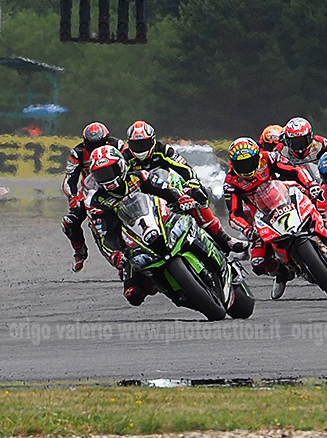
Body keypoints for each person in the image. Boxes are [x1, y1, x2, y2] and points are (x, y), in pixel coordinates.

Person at [84, 144, 202, 306]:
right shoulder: (98, 201)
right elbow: (104, 234)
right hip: (132, 242)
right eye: (101, 174)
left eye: (110, 171)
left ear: (121, 166)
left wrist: (180, 198)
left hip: (159, 221)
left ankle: (221, 241)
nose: (107, 178)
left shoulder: (139, 177)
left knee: (193, 212)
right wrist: (115, 253)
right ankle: (161, 285)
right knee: (133, 294)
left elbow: (165, 189)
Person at [123, 120, 246, 253]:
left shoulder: (163, 149)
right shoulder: (125, 158)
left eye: (144, 143)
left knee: (198, 196)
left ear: (152, 140)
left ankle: (224, 238)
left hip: (169, 189)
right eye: (136, 144)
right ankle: (129, 255)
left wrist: (193, 184)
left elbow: (184, 168)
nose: (140, 148)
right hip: (142, 198)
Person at [223, 137, 321, 300]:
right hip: (261, 216)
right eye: (242, 164)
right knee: (258, 262)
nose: (247, 167)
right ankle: (283, 273)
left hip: (286, 197)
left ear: (257, 157)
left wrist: (311, 185)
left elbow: (296, 170)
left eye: (249, 162)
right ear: (233, 164)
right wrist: (247, 229)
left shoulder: (269, 158)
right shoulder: (231, 182)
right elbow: (234, 215)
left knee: (320, 203)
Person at [61, 122, 126, 272]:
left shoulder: (118, 145)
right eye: (92, 145)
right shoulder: (77, 153)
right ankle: (79, 253)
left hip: (118, 185)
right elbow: (69, 180)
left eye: (100, 144)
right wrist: (72, 198)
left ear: (107, 140)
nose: (96, 149)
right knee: (69, 222)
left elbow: (132, 162)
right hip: (92, 191)